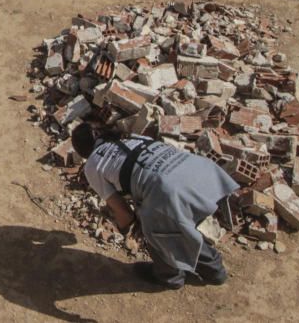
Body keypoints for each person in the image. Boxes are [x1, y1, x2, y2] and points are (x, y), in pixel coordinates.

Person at [71, 123, 239, 290]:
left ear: (84, 151)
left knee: (153, 226)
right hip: (203, 172)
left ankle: (174, 275)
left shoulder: (93, 163)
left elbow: (123, 212)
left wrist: (126, 229)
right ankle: (200, 263)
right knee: (172, 219)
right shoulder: (134, 137)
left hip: (170, 191)